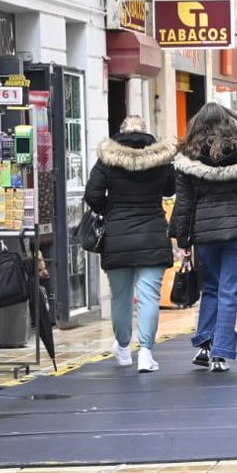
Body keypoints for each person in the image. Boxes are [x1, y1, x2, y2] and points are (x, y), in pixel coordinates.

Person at [170, 104, 237, 374]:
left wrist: (183, 237)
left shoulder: (188, 157)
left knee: (211, 288)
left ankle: (204, 344)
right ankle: (221, 354)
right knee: (230, 292)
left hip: (204, 233)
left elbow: (185, 202)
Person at [84, 116, 177, 373]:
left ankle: (123, 349)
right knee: (149, 297)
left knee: (121, 296)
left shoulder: (107, 158)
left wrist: (111, 210)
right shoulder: (161, 158)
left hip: (117, 236)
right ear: (146, 133)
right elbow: (171, 190)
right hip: (152, 235)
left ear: (121, 132)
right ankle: (146, 353)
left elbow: (92, 195)